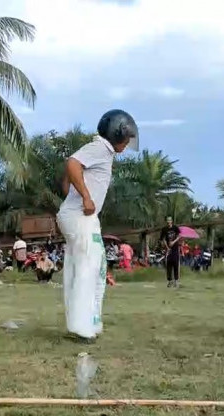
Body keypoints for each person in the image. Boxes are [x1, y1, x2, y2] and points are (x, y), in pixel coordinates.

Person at [57, 109, 138, 340]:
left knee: (93, 266)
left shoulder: (103, 151)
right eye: (126, 137)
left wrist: (74, 191)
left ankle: (87, 322)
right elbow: (73, 163)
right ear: (116, 133)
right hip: (80, 215)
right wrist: (85, 196)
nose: (127, 143)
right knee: (88, 267)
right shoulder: (100, 148)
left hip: (81, 216)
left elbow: (70, 168)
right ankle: (81, 327)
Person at [160, 216, 182, 287]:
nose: (168, 222)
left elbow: (179, 236)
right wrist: (167, 247)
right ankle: (170, 281)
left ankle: (176, 281)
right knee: (168, 265)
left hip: (175, 249)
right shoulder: (164, 229)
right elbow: (163, 239)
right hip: (168, 250)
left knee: (176, 265)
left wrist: (173, 242)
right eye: (167, 220)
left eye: (169, 220)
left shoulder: (175, 228)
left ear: (171, 221)